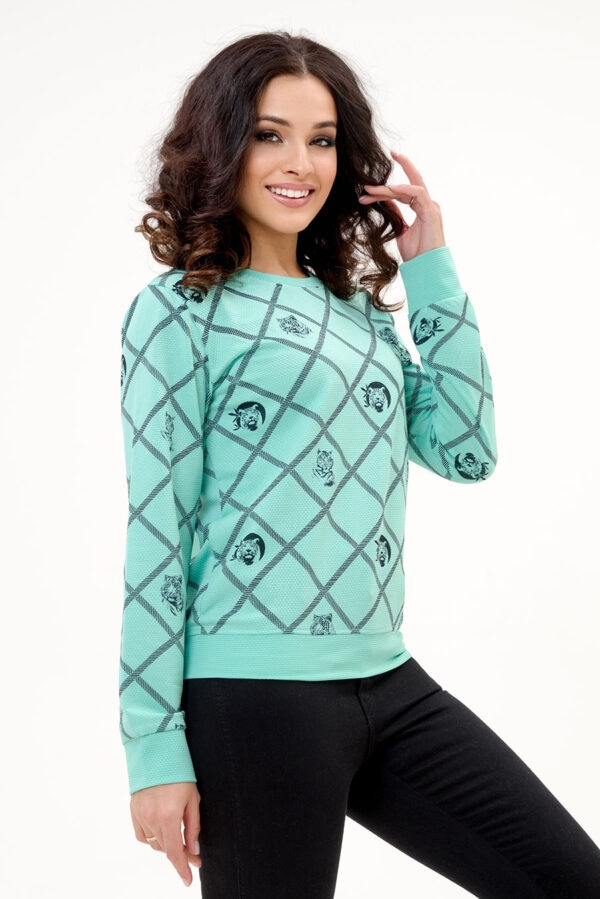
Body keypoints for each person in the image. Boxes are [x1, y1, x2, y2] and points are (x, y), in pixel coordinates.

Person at [118, 31, 600, 898]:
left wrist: (432, 270)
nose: (298, 162)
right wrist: (152, 745)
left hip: (389, 681)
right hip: (254, 693)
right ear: (221, 145)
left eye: (322, 139)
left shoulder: (356, 310)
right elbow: (159, 526)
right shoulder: (181, 309)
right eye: (269, 134)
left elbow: (467, 448)